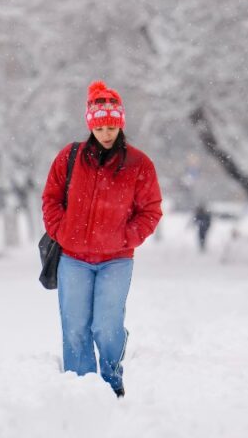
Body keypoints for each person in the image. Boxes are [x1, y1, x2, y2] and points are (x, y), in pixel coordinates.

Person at [42, 80, 163, 399]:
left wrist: (126, 237)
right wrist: (61, 230)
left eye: (112, 126)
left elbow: (151, 210)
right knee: (75, 328)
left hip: (116, 260)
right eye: (100, 127)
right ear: (90, 126)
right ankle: (82, 388)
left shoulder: (139, 164)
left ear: (120, 124)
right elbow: (51, 198)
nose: (106, 133)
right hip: (74, 259)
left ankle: (111, 378)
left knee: (106, 327)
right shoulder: (69, 158)